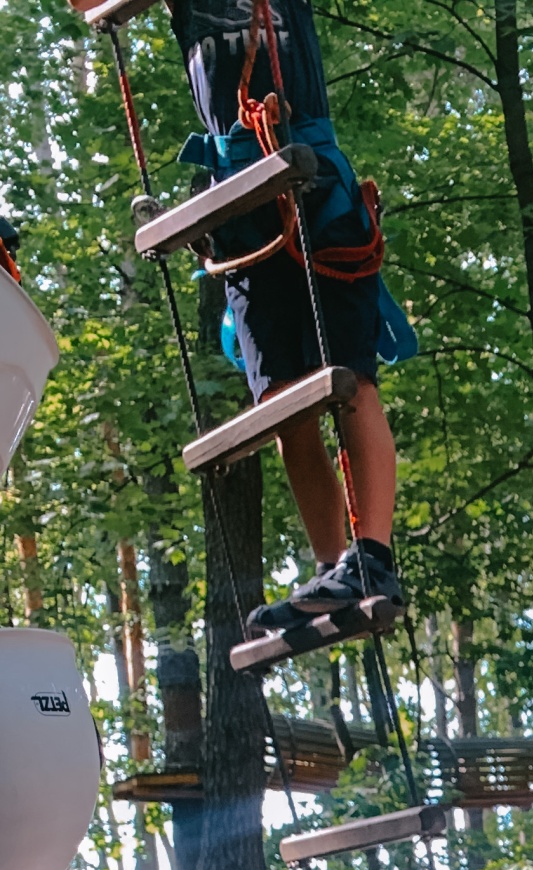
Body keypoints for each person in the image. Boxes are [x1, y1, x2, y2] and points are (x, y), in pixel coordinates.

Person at [155, 0, 414, 634]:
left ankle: (371, 557)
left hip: (312, 178)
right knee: (282, 402)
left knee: (350, 375)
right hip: (236, 202)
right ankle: (334, 569)